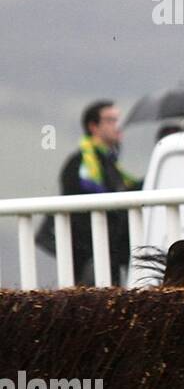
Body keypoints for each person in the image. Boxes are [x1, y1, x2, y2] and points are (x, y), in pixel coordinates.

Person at [36, 101, 142, 285]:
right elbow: (81, 215)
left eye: (117, 120)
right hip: (89, 259)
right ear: (93, 126)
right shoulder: (80, 165)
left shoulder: (107, 163)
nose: (117, 125)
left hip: (108, 256)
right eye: (110, 120)